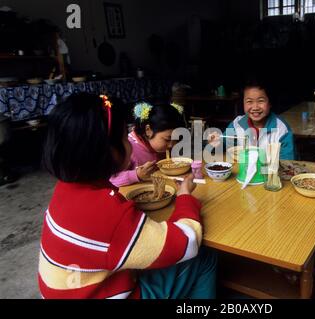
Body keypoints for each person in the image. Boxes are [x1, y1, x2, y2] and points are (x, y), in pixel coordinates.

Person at [39, 93, 216, 299]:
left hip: (75, 291)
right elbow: (188, 242)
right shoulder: (108, 212)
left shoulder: (64, 189)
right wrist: (186, 197)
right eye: (124, 136)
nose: (130, 143)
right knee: (204, 256)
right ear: (106, 150)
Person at [208, 79, 296, 160]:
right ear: (243, 103)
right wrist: (215, 143)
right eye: (249, 101)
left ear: (270, 103)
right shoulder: (237, 124)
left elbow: (287, 162)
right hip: (243, 173)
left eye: (261, 101)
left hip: (270, 175)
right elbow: (223, 146)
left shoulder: (281, 129)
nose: (255, 107)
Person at [110, 100, 185, 187]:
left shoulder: (163, 146)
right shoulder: (128, 148)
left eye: (176, 139)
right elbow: (112, 180)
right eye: (167, 139)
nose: (172, 145)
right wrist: (137, 175)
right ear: (148, 130)